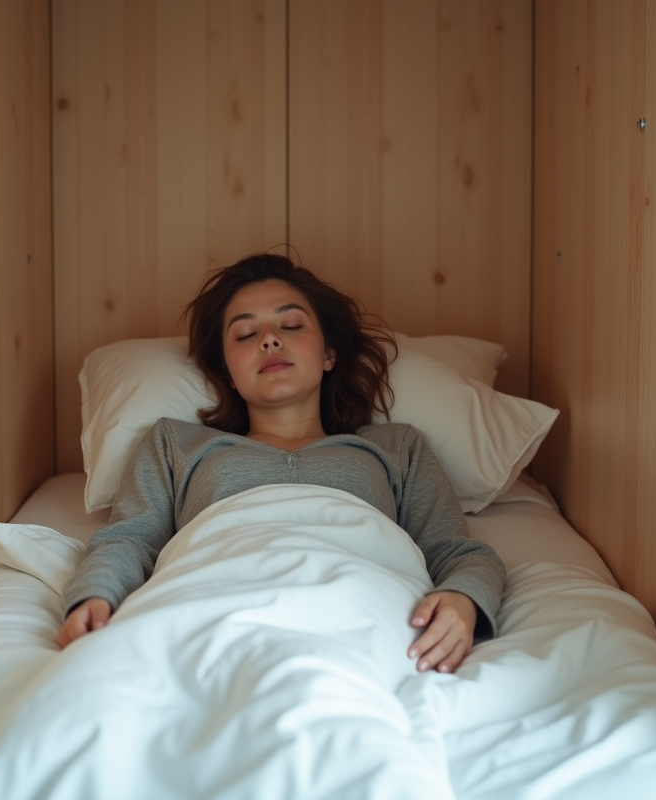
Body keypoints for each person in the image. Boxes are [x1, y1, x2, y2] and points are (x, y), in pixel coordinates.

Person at [55, 253, 505, 675]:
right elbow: (130, 540)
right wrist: (94, 595)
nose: (269, 339)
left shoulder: (397, 446)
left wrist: (465, 599)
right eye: (246, 334)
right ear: (228, 371)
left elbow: (458, 552)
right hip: (213, 601)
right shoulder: (175, 443)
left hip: (363, 605)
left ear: (329, 354)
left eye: (290, 324)